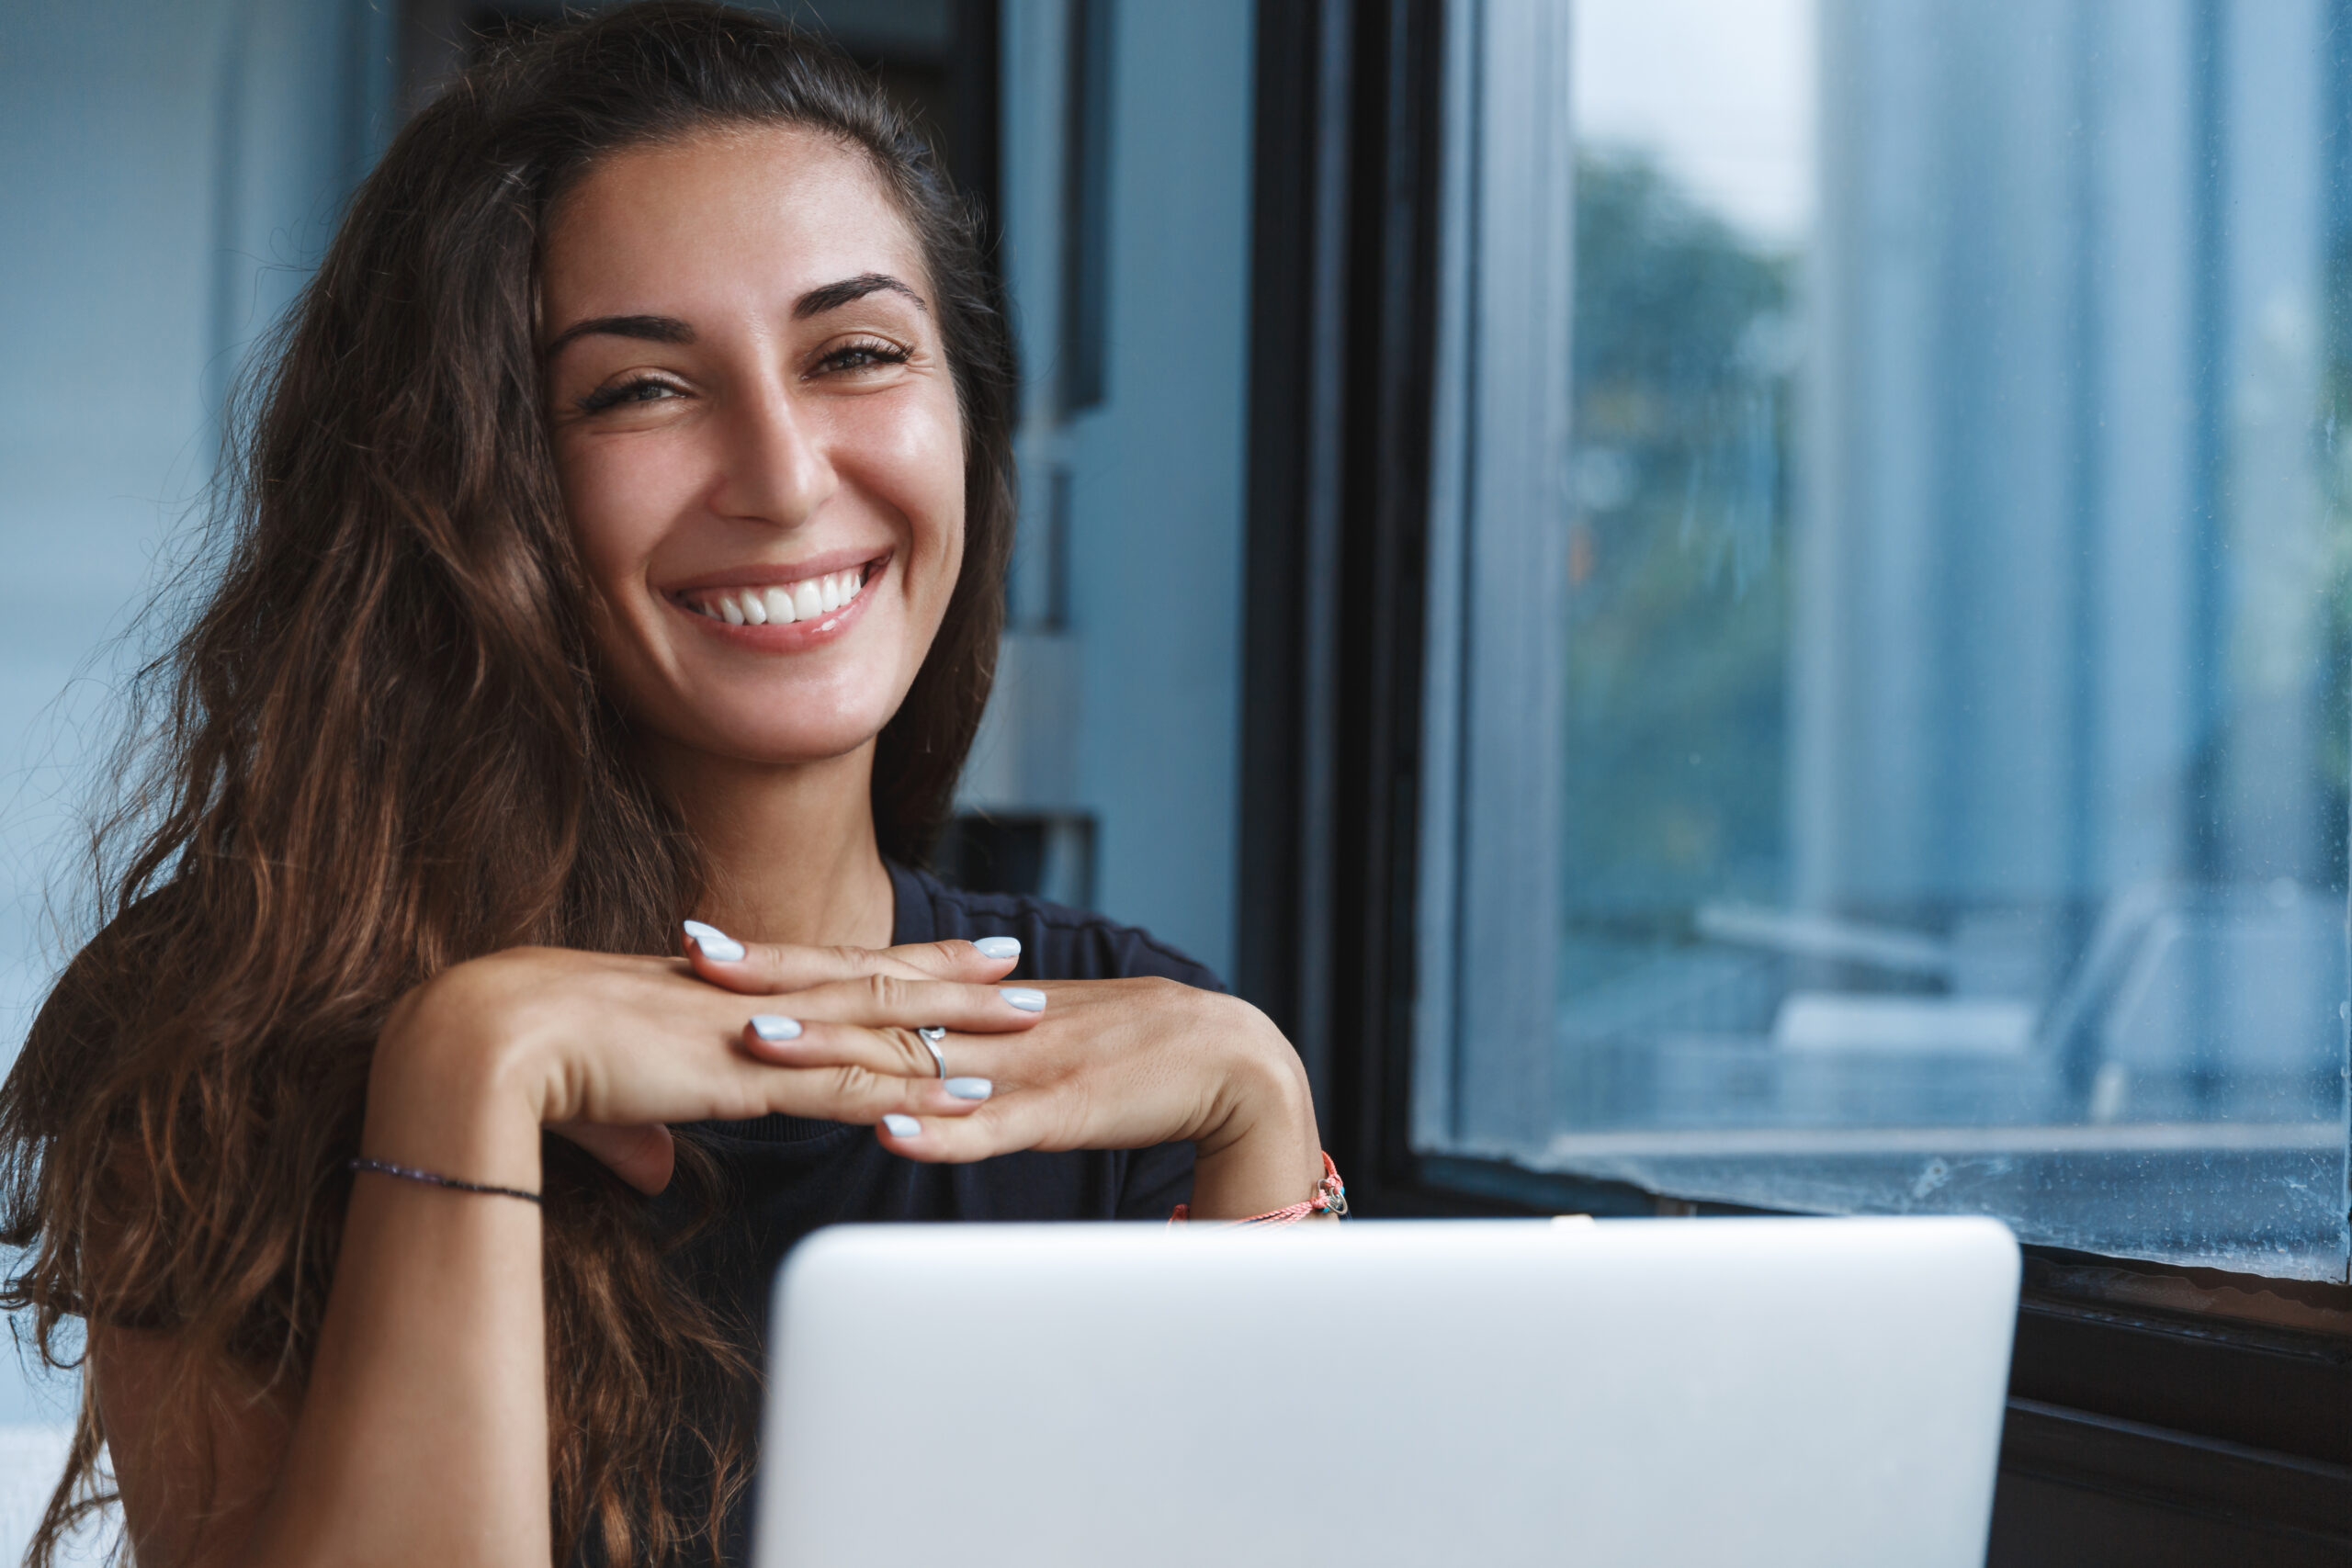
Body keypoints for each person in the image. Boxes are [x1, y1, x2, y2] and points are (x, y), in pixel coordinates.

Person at [0, 6, 1334, 1564]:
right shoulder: (230, 1027)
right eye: (640, 389)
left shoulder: (1141, 1054)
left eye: (855, 354)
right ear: (477, 480)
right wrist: (474, 1067)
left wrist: (1261, 1110)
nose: (781, 475)